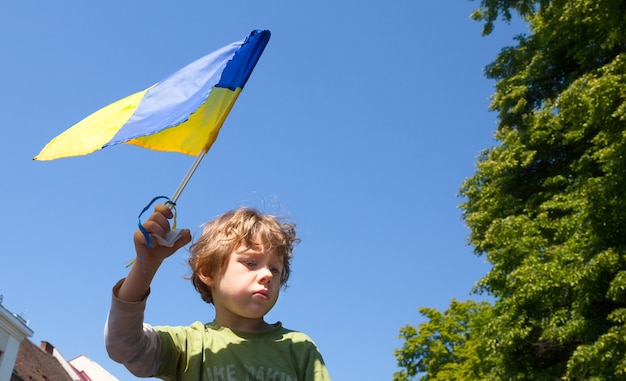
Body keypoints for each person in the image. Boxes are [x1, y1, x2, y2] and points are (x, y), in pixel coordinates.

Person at [105, 203, 331, 380]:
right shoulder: (189, 345)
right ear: (208, 272)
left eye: (275, 268)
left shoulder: (299, 349)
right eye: (251, 263)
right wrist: (146, 265)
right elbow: (123, 345)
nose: (268, 275)